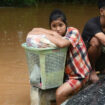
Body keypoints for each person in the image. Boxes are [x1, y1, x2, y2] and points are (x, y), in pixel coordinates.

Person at [28, 9, 92, 105]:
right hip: (66, 74)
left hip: (79, 76)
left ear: (66, 24)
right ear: (50, 26)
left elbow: (62, 43)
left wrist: (46, 34)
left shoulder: (73, 32)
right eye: (54, 26)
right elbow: (32, 31)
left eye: (60, 25)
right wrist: (49, 33)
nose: (57, 29)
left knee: (59, 94)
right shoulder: (55, 37)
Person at [82, 0, 105, 83]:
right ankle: (91, 71)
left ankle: (102, 68)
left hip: (100, 59)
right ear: (102, 11)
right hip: (85, 62)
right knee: (96, 41)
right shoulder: (92, 24)